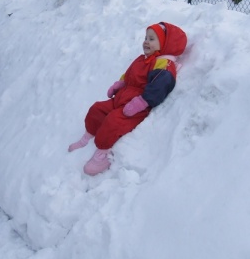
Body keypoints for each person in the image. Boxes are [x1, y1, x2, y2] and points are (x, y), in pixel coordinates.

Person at [68, 22, 187, 176]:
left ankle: (103, 154)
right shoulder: (141, 59)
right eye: (146, 38)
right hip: (121, 97)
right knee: (97, 109)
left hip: (136, 105)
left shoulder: (163, 63)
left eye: (152, 39)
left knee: (114, 121)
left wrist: (142, 102)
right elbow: (129, 74)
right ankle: (88, 135)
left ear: (163, 44)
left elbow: (160, 86)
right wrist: (120, 84)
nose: (146, 41)